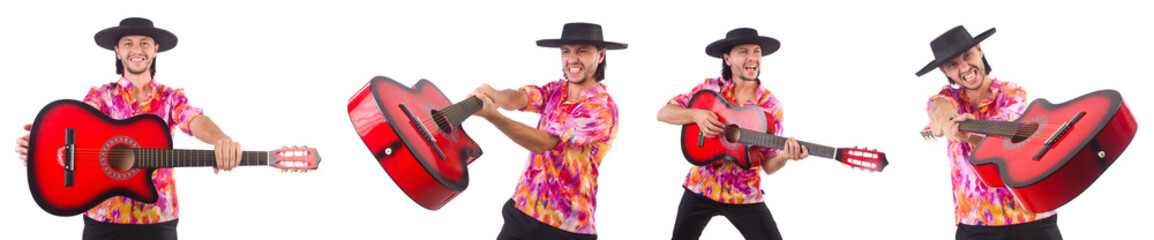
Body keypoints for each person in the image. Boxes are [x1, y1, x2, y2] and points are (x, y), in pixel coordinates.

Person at [13, 17, 243, 240]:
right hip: (102, 217)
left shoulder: (171, 97)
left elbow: (192, 118)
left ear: (155, 50)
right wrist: (41, 144)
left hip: (158, 218)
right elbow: (77, 124)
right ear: (117, 51)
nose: (137, 49)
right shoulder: (100, 95)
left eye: (144, 42)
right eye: (128, 43)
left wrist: (220, 139)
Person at [469, 22, 624, 240]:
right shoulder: (557, 90)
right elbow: (522, 98)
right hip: (524, 211)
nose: (572, 59)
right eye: (566, 52)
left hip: (565, 228)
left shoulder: (601, 109)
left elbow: (543, 142)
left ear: (600, 56)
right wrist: (498, 96)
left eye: (582, 51)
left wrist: (492, 116)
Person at [657, 28, 809, 240]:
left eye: (757, 51)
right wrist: (696, 115)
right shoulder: (709, 90)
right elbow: (663, 113)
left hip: (744, 196)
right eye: (743, 51)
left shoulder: (770, 106)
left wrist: (784, 156)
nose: (752, 57)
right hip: (700, 188)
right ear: (727, 59)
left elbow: (768, 165)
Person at [918, 25, 1062, 240]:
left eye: (968, 56)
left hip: (1031, 217)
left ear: (979, 50)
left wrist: (966, 133)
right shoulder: (948, 98)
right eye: (953, 64)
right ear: (944, 71)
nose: (965, 68)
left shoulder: (1011, 93)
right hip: (976, 223)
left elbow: (1004, 137)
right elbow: (938, 105)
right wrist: (944, 116)